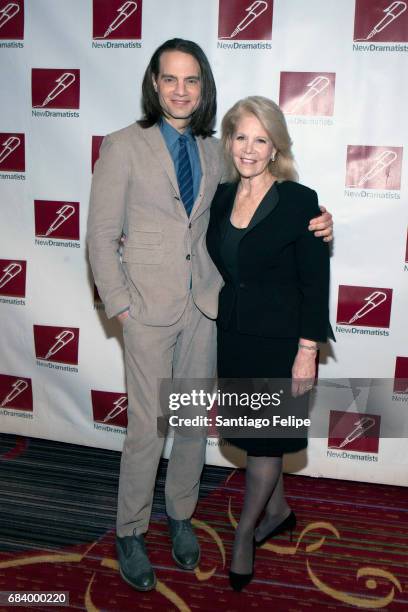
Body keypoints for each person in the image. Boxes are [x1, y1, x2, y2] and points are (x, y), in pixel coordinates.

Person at [87, 39, 333, 592]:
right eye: (170, 79)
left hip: (206, 309)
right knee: (148, 429)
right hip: (147, 311)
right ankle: (129, 530)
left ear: (203, 89)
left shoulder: (215, 151)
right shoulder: (122, 146)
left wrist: (320, 221)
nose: (180, 90)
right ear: (155, 84)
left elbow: (270, 195)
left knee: (194, 424)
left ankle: (179, 515)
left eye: (191, 80)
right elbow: (101, 237)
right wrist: (121, 304)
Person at [206, 96, 333, 592]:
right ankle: (277, 511)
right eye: (241, 137)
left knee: (265, 440)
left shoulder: (300, 201)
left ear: (275, 146)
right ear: (229, 141)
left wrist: (308, 349)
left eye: (262, 139)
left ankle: (244, 536)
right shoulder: (220, 196)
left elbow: (314, 280)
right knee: (255, 433)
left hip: (282, 342)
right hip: (234, 333)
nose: (250, 149)